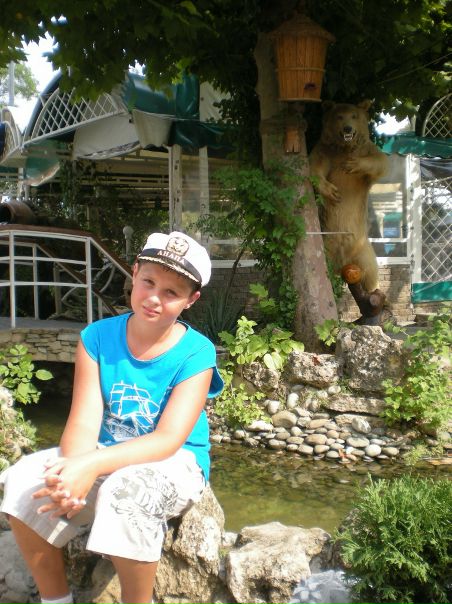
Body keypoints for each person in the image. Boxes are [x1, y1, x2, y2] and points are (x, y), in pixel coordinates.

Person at [0, 231, 223, 604]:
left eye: (171, 292)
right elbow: (84, 422)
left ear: (190, 300)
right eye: (148, 281)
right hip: (105, 449)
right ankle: (56, 600)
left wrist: (90, 466)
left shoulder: (197, 352)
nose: (154, 297)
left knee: (126, 493)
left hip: (174, 459)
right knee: (23, 479)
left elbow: (168, 439)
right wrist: (74, 471)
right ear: (134, 274)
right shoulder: (97, 337)